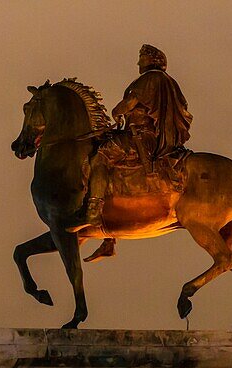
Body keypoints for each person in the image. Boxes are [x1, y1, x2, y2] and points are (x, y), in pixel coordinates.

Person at [77, 44, 194, 259]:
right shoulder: (170, 83)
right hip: (152, 135)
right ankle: (108, 238)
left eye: (141, 58)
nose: (138, 63)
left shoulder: (150, 79)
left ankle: (93, 211)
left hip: (142, 137)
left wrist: (117, 110)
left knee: (101, 156)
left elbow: (130, 103)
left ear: (152, 60)